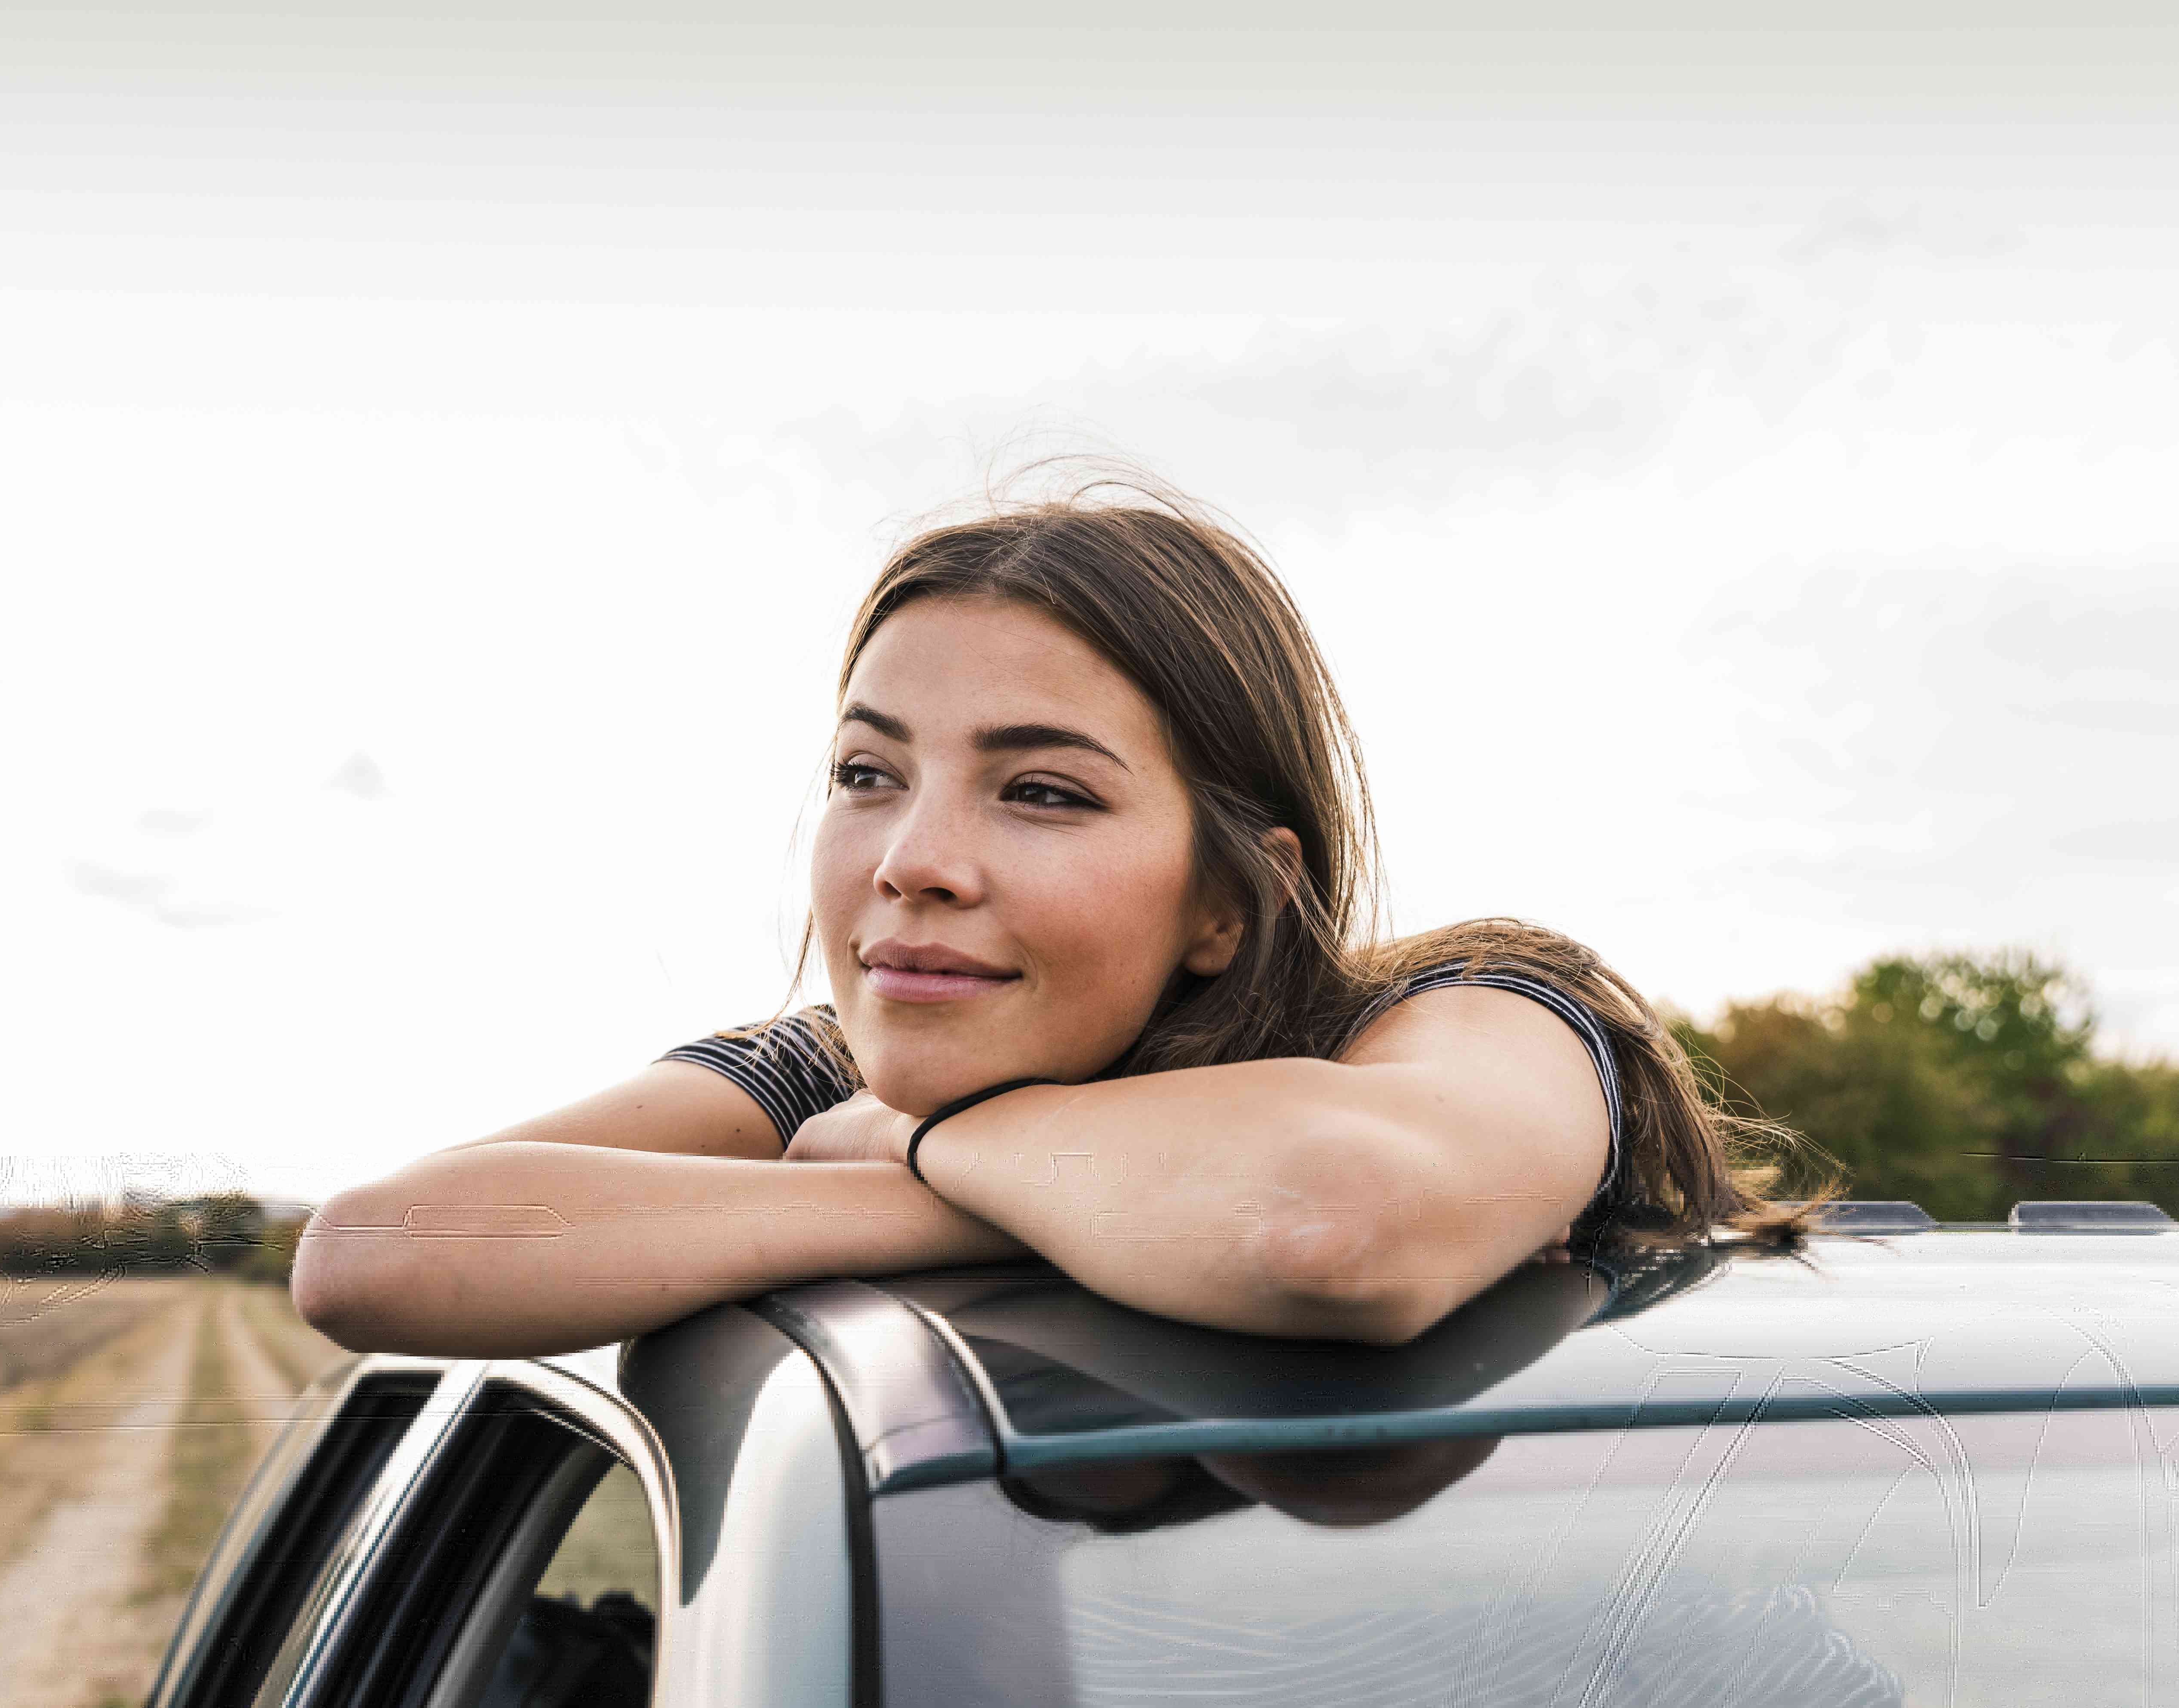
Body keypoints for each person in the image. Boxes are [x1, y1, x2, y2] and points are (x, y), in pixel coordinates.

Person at [293, 474, 1804, 1360]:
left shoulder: (1474, 1009)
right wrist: (966, 1186)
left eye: (1044, 794)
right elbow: (380, 1252)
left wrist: (917, 1152)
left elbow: (1326, 1222)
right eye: (868, 772)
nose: (913, 860)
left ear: (1228, 899)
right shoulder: (820, 1074)